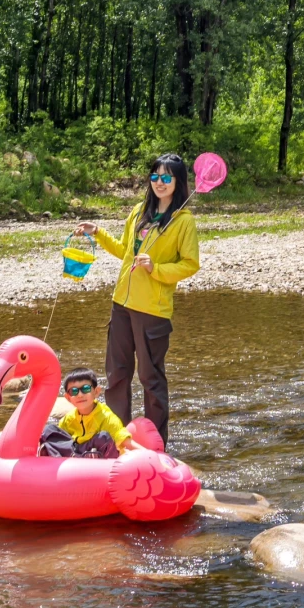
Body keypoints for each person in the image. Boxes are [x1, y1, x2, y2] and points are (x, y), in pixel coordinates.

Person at [77, 153, 199, 448]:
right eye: (155, 176)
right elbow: (124, 250)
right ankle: (117, 439)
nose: (160, 182)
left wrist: (154, 269)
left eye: (167, 177)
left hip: (152, 311)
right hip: (121, 304)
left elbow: (190, 264)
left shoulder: (183, 221)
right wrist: (98, 232)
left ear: (178, 182)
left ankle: (156, 444)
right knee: (117, 374)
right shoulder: (139, 211)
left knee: (150, 378)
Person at [38, 368, 134, 459]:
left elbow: (126, 442)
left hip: (101, 457)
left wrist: (147, 454)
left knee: (103, 437)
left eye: (86, 389)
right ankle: (71, 456)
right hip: (77, 451)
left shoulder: (107, 417)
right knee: (49, 430)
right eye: (74, 391)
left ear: (96, 392)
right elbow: (62, 440)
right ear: (68, 398)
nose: (80, 395)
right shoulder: (69, 419)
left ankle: (66, 455)